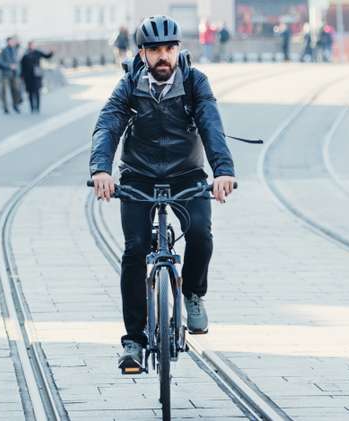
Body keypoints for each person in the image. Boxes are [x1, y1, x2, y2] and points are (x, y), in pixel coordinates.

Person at [89, 15, 236, 371]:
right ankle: (134, 342)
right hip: (138, 177)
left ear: (178, 49)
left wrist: (223, 172)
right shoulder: (128, 85)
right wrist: (101, 170)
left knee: (200, 233)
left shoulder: (195, 82)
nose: (163, 56)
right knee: (134, 251)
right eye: (154, 50)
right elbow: (108, 123)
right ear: (142, 53)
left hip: (187, 176)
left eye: (169, 48)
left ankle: (193, 293)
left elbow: (211, 124)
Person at [20, 41, 54, 114]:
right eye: (30, 45)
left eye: (32, 45)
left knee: (37, 92)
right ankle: (32, 108)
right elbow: (22, 66)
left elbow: (47, 56)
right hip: (28, 76)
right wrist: (22, 76)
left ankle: (37, 108)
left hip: (36, 75)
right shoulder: (25, 54)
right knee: (30, 93)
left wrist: (51, 52)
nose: (32, 46)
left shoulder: (37, 52)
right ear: (28, 46)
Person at [0, 36, 23, 114]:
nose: (13, 43)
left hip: (14, 74)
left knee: (15, 90)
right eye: (11, 41)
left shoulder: (15, 50)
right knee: (4, 91)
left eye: (13, 41)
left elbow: (19, 45)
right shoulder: (3, 50)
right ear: (8, 42)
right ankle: (5, 107)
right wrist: (9, 66)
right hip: (5, 74)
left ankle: (15, 105)